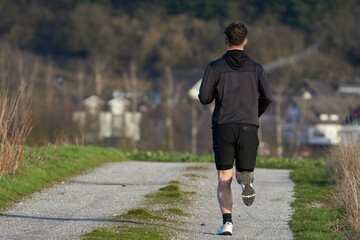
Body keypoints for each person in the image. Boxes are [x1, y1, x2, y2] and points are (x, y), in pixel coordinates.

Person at [198, 22, 272, 236]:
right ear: (245, 41)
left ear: (225, 41)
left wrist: (215, 94)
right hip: (248, 126)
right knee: (244, 171)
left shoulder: (214, 67)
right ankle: (245, 181)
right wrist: (252, 115)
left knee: (224, 177)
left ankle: (227, 223)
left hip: (223, 126)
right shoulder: (257, 68)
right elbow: (267, 96)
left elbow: (204, 98)